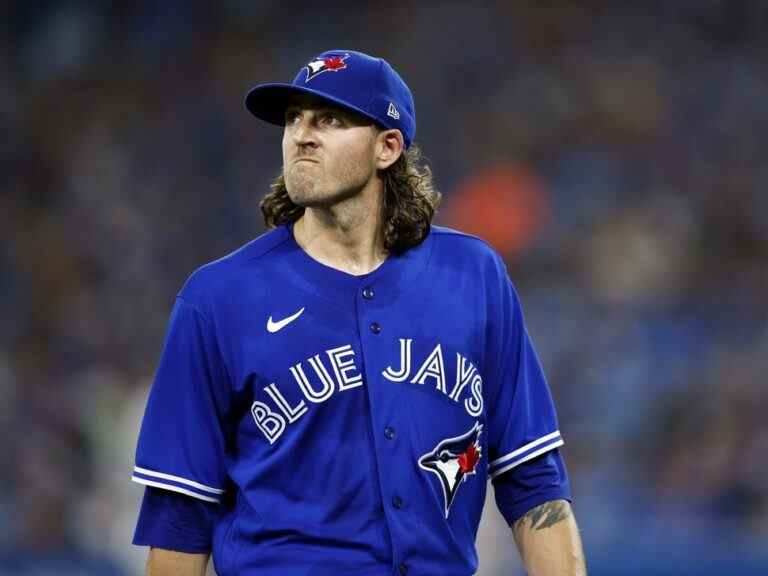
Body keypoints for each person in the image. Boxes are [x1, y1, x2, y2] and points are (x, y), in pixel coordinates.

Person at [131, 49, 586, 576]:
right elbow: (181, 518)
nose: (301, 135)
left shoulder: (473, 276)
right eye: (293, 119)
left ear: (387, 147)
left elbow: (533, 482)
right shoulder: (218, 299)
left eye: (329, 119)